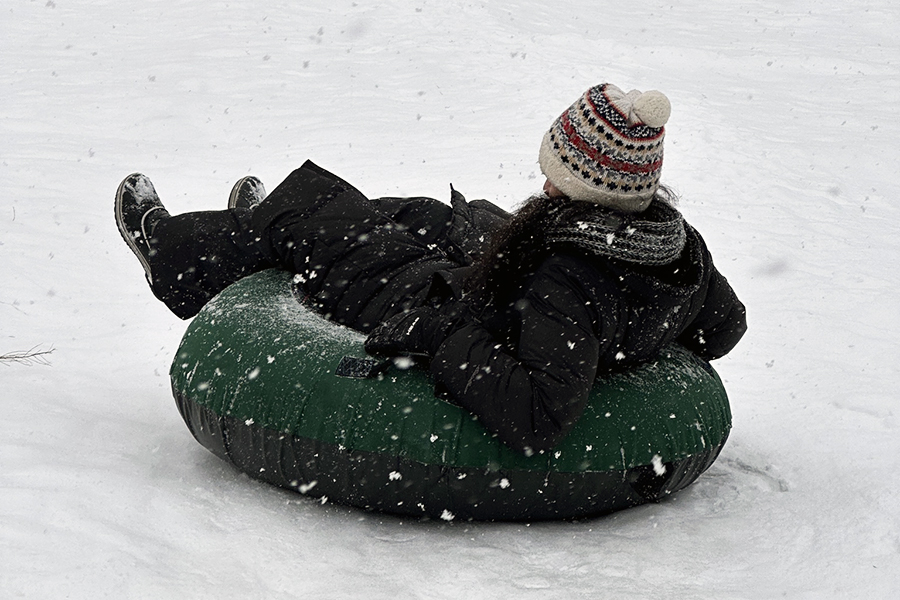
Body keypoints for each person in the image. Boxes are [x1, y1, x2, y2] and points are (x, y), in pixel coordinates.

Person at [116, 83, 746, 454]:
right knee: (416, 211)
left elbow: (539, 414)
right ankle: (264, 236)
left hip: (445, 307)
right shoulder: (672, 242)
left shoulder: (569, 279)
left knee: (327, 219)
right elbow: (723, 326)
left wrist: (439, 334)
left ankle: (173, 258)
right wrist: (633, 336)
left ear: (584, 187)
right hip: (501, 287)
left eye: (554, 176)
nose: (543, 185)